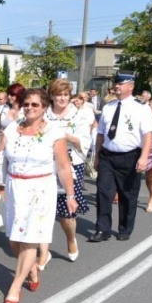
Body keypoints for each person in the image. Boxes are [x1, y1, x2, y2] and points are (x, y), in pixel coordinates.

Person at [0, 88, 77, 303]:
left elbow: (63, 166)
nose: (30, 108)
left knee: (30, 238)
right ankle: (31, 269)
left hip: (40, 189)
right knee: (14, 239)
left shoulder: (54, 132)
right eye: (27, 104)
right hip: (15, 187)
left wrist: (70, 194)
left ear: (44, 107)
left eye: (35, 105)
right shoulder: (13, 128)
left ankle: (15, 285)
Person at [88, 73, 152, 243]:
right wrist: (97, 155)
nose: (116, 86)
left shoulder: (141, 108)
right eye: (116, 83)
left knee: (128, 195)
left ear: (131, 86)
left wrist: (144, 157)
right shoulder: (109, 107)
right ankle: (102, 229)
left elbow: (148, 134)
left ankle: (125, 229)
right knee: (103, 192)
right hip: (108, 157)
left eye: (121, 83)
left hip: (130, 156)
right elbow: (101, 133)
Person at [37, 79, 93, 270]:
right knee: (42, 210)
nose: (62, 98)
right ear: (51, 96)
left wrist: (68, 137)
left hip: (70, 164)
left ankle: (71, 238)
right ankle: (44, 252)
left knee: (66, 213)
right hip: (45, 164)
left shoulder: (79, 116)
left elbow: (85, 141)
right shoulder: (44, 114)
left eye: (65, 95)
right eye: (58, 95)